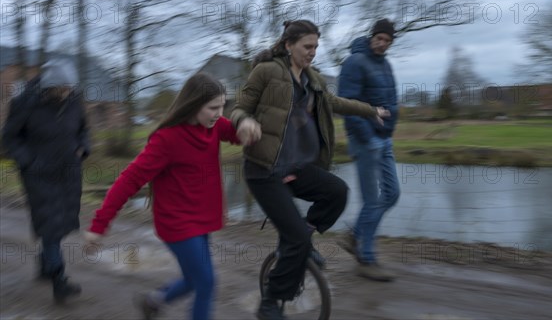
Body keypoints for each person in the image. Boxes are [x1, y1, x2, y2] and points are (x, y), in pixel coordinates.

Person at [232, 20, 389, 320]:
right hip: (264, 170)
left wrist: (371, 111)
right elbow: (239, 106)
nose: (312, 52)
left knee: (337, 192)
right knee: (297, 242)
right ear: (289, 45)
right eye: (307, 47)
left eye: (316, 47)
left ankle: (302, 238)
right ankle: (270, 303)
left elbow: (335, 102)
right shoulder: (267, 71)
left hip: (297, 167)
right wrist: (244, 122)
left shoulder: (312, 79)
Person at [84, 72, 260, 320]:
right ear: (194, 105)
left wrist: (245, 124)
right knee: (206, 282)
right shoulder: (167, 140)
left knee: (193, 279)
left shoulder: (213, 126)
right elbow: (129, 180)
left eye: (222, 106)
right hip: (177, 224)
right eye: (213, 107)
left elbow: (235, 133)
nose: (220, 113)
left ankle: (153, 301)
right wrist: (99, 225)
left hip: (201, 220)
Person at [2, 58, 91, 303]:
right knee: (50, 222)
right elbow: (9, 138)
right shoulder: (25, 102)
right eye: (61, 89)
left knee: (60, 222)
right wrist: (29, 162)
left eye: (69, 89)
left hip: (68, 172)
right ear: (48, 86)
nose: (66, 93)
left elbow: (83, 129)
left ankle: (44, 262)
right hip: (38, 174)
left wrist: (83, 147)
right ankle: (58, 280)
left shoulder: (73, 100)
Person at [337, 18, 401, 282]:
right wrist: (367, 136)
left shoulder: (385, 64)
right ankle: (367, 258)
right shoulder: (354, 62)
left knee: (392, 194)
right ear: (372, 35)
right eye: (379, 38)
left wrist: (388, 131)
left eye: (387, 41)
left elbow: (392, 101)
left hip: (384, 140)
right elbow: (346, 105)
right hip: (364, 140)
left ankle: (354, 235)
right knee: (372, 200)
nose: (382, 44)